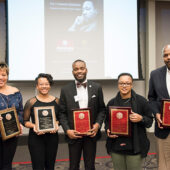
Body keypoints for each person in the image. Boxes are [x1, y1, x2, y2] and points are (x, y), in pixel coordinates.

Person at [59, 59, 105, 170]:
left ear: (86, 70)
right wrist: (67, 130)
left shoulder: (96, 87)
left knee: (90, 165)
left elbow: (102, 109)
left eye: (81, 68)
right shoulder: (65, 90)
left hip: (91, 133)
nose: (79, 71)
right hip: (74, 134)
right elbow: (62, 113)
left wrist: (97, 125)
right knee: (73, 165)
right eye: (76, 69)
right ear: (72, 72)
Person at [105, 73, 153, 170]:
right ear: (118, 85)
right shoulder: (111, 102)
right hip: (116, 146)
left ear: (132, 85)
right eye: (121, 83)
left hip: (135, 147)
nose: (124, 86)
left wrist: (141, 119)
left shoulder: (142, 101)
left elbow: (149, 122)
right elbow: (107, 122)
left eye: (127, 83)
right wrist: (108, 130)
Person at [23, 73, 60, 170]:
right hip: (36, 138)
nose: (44, 86)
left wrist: (56, 123)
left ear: (50, 85)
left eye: (47, 84)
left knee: (50, 166)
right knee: (37, 166)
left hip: (52, 137)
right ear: (37, 86)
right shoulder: (31, 102)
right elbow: (25, 121)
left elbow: (61, 118)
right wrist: (34, 126)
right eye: (41, 84)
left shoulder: (57, 101)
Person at [148, 44, 170, 170]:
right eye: (165, 55)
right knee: (164, 164)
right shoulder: (155, 74)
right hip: (163, 128)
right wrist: (156, 113)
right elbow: (151, 98)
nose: (168, 57)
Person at [0, 62, 23, 170]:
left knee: (7, 164)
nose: (1, 77)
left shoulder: (16, 92)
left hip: (11, 134)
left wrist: (18, 123)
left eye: (3, 75)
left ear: (7, 76)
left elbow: (20, 111)